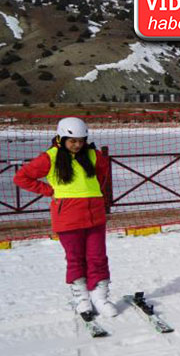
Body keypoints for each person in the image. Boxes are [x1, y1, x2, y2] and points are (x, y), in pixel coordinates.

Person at [13, 117, 118, 316]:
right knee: (75, 258)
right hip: (68, 217)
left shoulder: (92, 155)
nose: (77, 145)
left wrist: (96, 193)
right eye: (72, 141)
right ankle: (82, 298)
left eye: (81, 140)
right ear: (61, 139)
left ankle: (100, 297)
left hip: (95, 215)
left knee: (98, 257)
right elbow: (21, 177)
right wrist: (49, 190)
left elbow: (103, 172)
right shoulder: (50, 157)